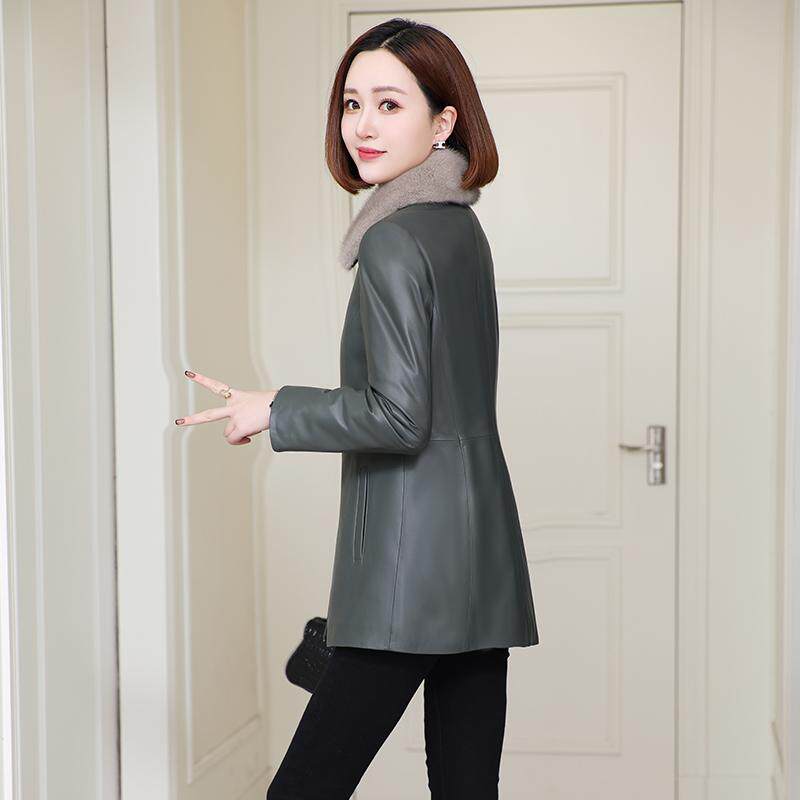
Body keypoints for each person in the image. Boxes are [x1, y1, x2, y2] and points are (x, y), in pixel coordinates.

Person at [175, 16, 539, 800]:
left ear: (443, 122)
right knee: (467, 788)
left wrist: (276, 408)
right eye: (351, 103)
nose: (363, 126)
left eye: (389, 104)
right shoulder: (459, 228)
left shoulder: (394, 240)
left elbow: (400, 417)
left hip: (409, 571)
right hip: (480, 556)